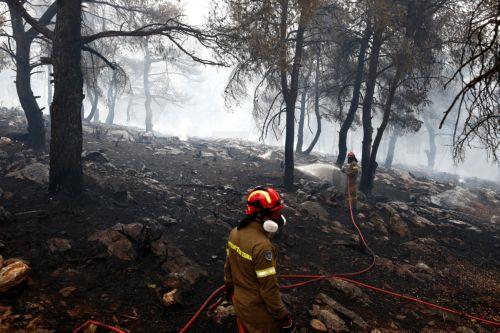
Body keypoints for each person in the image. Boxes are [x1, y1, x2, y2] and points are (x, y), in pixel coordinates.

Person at [224, 186, 295, 333]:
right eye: (276, 213)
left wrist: (229, 290)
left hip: (239, 303)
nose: (278, 217)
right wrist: (284, 319)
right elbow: (268, 290)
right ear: (262, 216)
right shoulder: (262, 247)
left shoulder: (234, 233)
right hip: (257, 315)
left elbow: (228, 268)